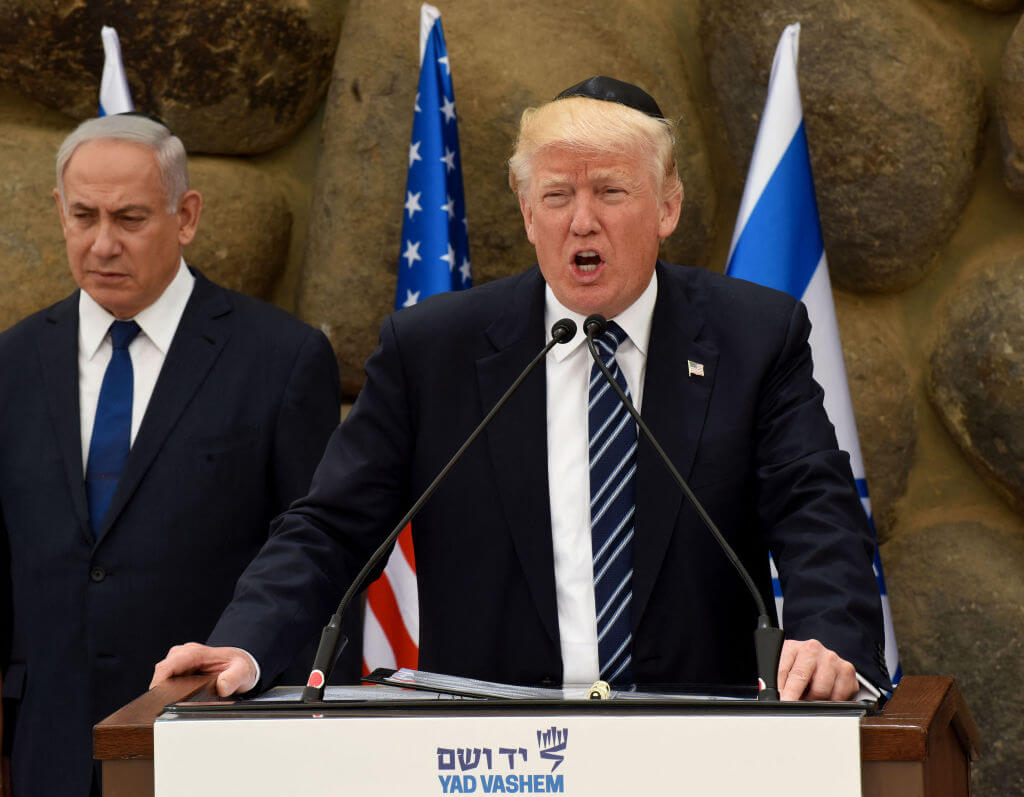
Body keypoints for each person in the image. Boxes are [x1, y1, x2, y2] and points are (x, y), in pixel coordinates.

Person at [153, 77, 889, 707]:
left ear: (667, 207)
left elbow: (814, 512)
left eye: (610, 191)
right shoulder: (435, 349)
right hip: (486, 765)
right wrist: (245, 644)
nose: (581, 220)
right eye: (558, 194)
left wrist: (827, 639)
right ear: (526, 209)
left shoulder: (753, 338)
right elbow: (332, 528)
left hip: (697, 745)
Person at [0, 114, 344, 797]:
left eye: (128, 218)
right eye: (83, 216)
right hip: (49, 762)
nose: (102, 243)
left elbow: (318, 554)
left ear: (185, 217)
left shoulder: (279, 359)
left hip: (221, 753)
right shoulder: (13, 363)